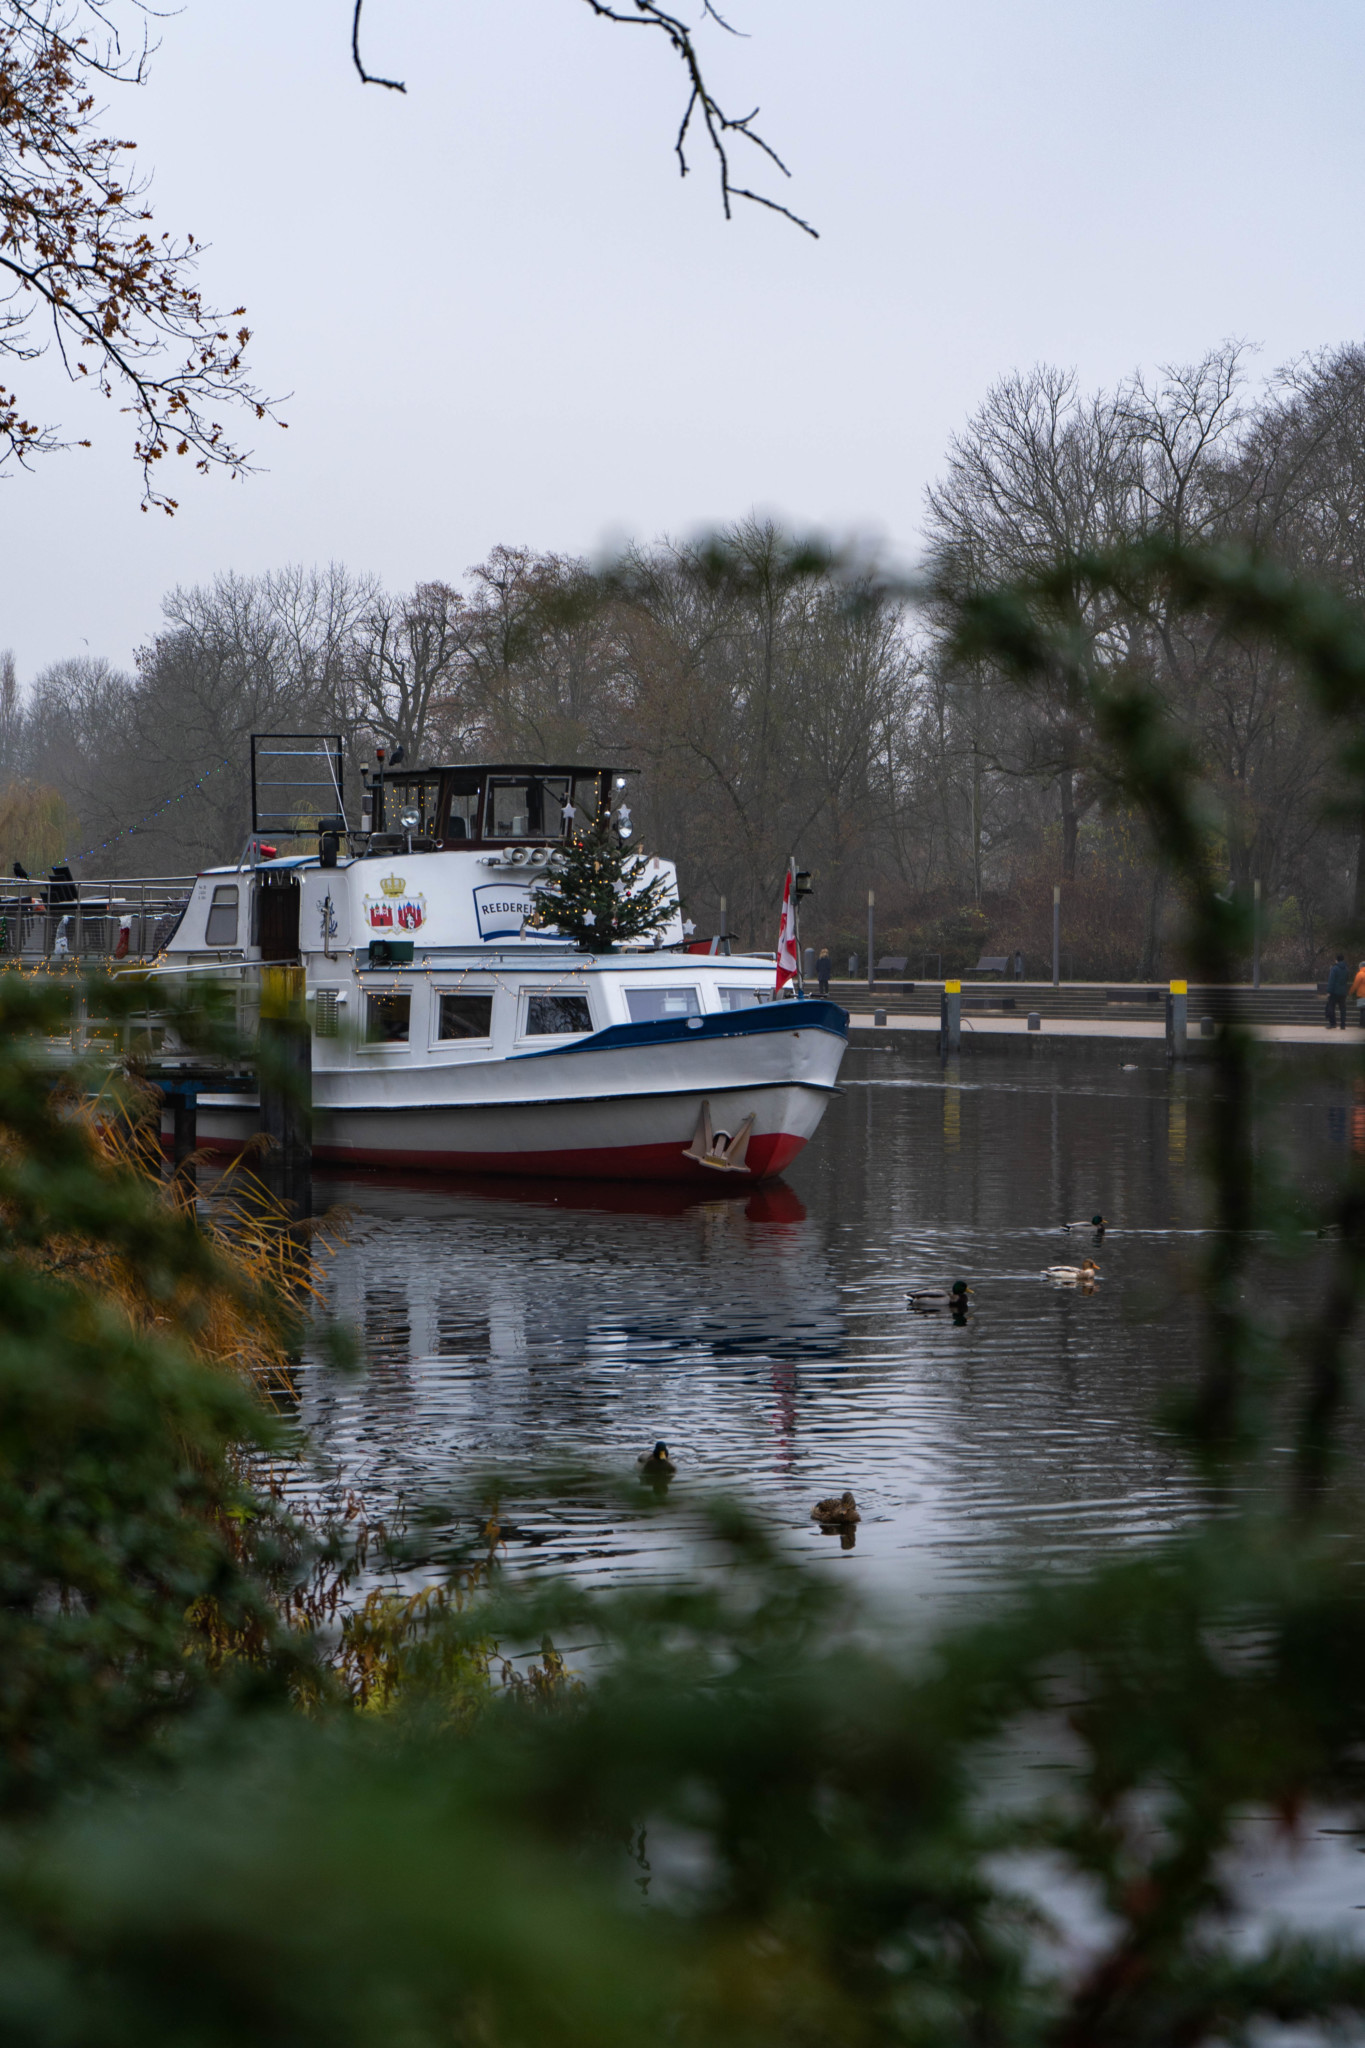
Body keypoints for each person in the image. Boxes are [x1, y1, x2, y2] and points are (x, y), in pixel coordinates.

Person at [1326, 950, 1350, 1028]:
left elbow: (1331, 980)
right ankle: (1343, 1024)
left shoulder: (1334, 968)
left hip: (1334, 992)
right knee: (1342, 1008)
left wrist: (1329, 991)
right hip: (1343, 992)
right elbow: (1347, 979)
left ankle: (1333, 1023)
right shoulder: (1346, 969)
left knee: (1331, 1007)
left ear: (1337, 960)